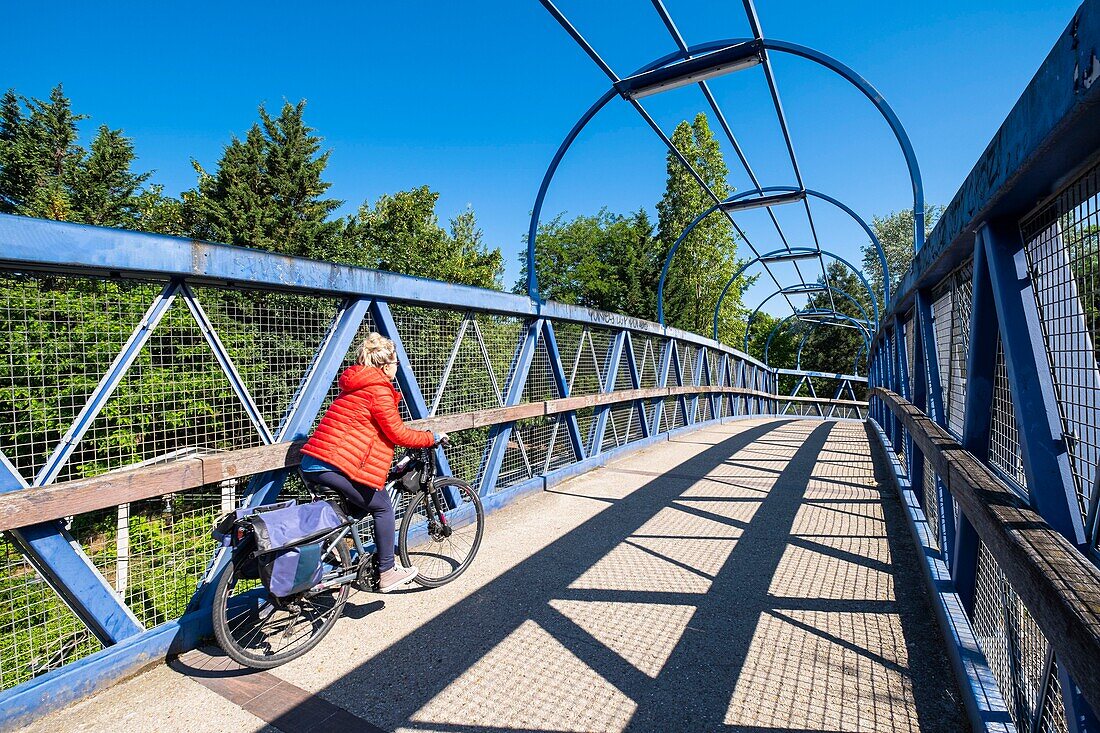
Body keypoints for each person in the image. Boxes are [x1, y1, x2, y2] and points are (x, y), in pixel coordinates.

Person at [299, 332, 443, 592]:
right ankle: (387, 572)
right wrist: (430, 438)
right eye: (397, 363)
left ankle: (333, 556)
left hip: (314, 463)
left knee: (355, 510)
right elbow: (397, 433)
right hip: (335, 465)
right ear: (386, 365)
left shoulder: (356, 385)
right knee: (382, 507)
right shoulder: (379, 391)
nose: (398, 367)